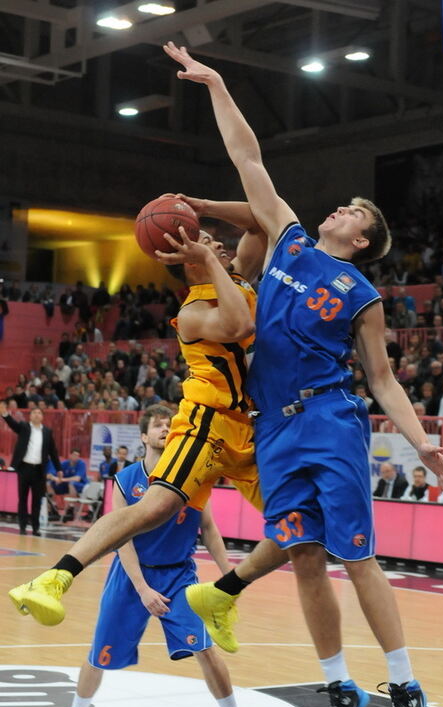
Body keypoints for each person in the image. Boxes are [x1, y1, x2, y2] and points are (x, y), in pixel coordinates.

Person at [159, 46, 443, 707]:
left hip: (329, 418)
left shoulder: (362, 294)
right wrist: (220, 85)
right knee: (300, 555)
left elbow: (384, 381)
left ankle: (405, 685)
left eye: (352, 212)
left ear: (360, 240)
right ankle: (338, 688)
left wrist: (424, 446)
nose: (338, 208)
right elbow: (249, 158)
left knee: (356, 559)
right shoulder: (288, 241)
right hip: (274, 429)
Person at [9, 209, 287, 625]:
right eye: (209, 241)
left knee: (302, 524)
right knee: (153, 509)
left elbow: (260, 223)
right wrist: (205, 258)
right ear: (189, 258)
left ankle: (221, 595)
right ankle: (53, 578)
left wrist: (199, 206)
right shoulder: (193, 312)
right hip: (206, 422)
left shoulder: (237, 277)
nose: (221, 246)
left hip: (250, 428)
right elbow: (239, 323)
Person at [55, 405, 262, 707]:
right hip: (131, 576)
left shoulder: (192, 477)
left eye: (171, 425)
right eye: (158, 425)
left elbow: (209, 529)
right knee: (99, 653)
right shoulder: (126, 480)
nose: (166, 429)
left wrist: (230, 578)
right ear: (144, 437)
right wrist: (143, 589)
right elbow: (122, 540)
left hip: (179, 574)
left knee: (206, 650)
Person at [0, 403, 62, 536]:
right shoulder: (24, 427)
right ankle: (22, 526)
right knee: (22, 498)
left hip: (39, 470)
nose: (36, 415)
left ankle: (35, 528)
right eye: (34, 413)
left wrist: (59, 469)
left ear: (42, 417)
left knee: (37, 500)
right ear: (30, 416)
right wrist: (5, 414)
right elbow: (13, 424)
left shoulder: (47, 431)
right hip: (24, 468)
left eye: (39, 413)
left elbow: (53, 451)